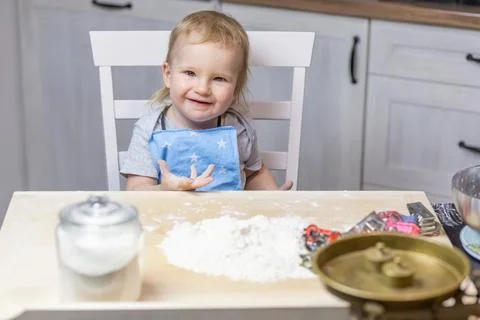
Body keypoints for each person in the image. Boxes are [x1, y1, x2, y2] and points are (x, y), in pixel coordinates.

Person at [121, 10, 293, 191]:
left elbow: (254, 173)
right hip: (169, 217)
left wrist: (274, 198)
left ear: (236, 88)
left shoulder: (238, 128)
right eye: (190, 73)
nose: (202, 89)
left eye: (219, 78)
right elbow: (136, 191)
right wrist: (165, 190)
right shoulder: (150, 130)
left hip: (228, 217)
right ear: (168, 74)